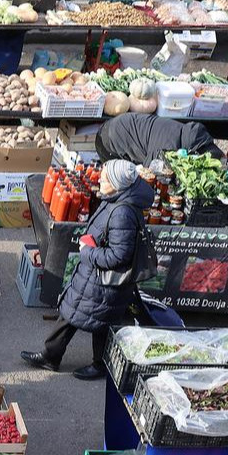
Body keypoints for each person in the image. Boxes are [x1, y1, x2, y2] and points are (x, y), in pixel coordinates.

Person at [22, 160, 154, 380]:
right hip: (92, 275)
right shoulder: (116, 199)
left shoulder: (123, 213)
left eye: (106, 178)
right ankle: (50, 356)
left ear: (119, 185)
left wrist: (88, 252)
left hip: (104, 280)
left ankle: (99, 365)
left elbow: (119, 256)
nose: (100, 179)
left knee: (100, 321)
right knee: (70, 312)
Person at [95, 112, 219, 164]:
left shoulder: (190, 134)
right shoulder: (168, 148)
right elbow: (150, 174)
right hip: (108, 140)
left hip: (119, 125)